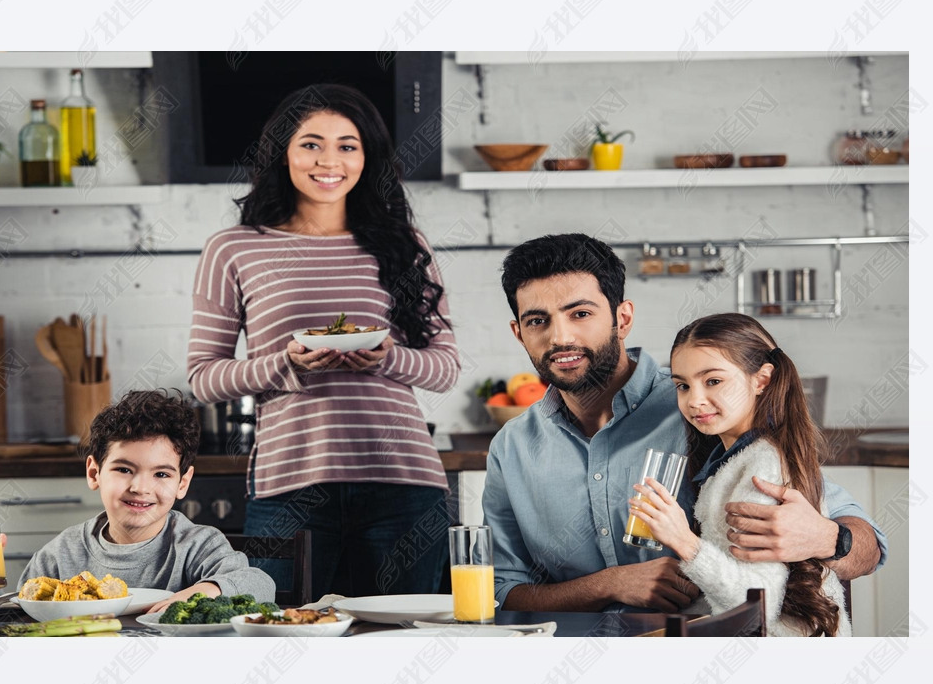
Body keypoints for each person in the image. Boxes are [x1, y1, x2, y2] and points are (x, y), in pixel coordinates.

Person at [482, 233, 886, 614]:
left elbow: (868, 546)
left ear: (622, 319)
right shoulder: (512, 447)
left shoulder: (703, 411)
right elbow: (502, 593)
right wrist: (608, 584)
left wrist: (826, 538)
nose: (560, 337)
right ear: (519, 333)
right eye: (538, 321)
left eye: (581, 313)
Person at [188, 83, 460, 600]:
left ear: (367, 157)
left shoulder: (405, 245)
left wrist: (386, 359)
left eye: (347, 145)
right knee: (279, 638)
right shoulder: (234, 248)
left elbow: (445, 367)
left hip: (403, 483)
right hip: (289, 486)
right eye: (311, 143)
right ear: (282, 154)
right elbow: (203, 377)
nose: (328, 160)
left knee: (403, 640)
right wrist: (284, 364)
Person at [0, 390, 275, 612]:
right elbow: (21, 608)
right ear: (94, 473)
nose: (140, 487)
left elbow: (259, 584)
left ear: (182, 483)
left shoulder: (197, 545)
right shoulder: (62, 553)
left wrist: (208, 589)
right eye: (124, 469)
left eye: (161, 475)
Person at [628, 314, 848, 634]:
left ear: (761, 380)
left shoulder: (762, 470)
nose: (695, 400)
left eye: (713, 381)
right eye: (683, 385)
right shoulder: (735, 457)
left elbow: (756, 606)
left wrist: (683, 540)